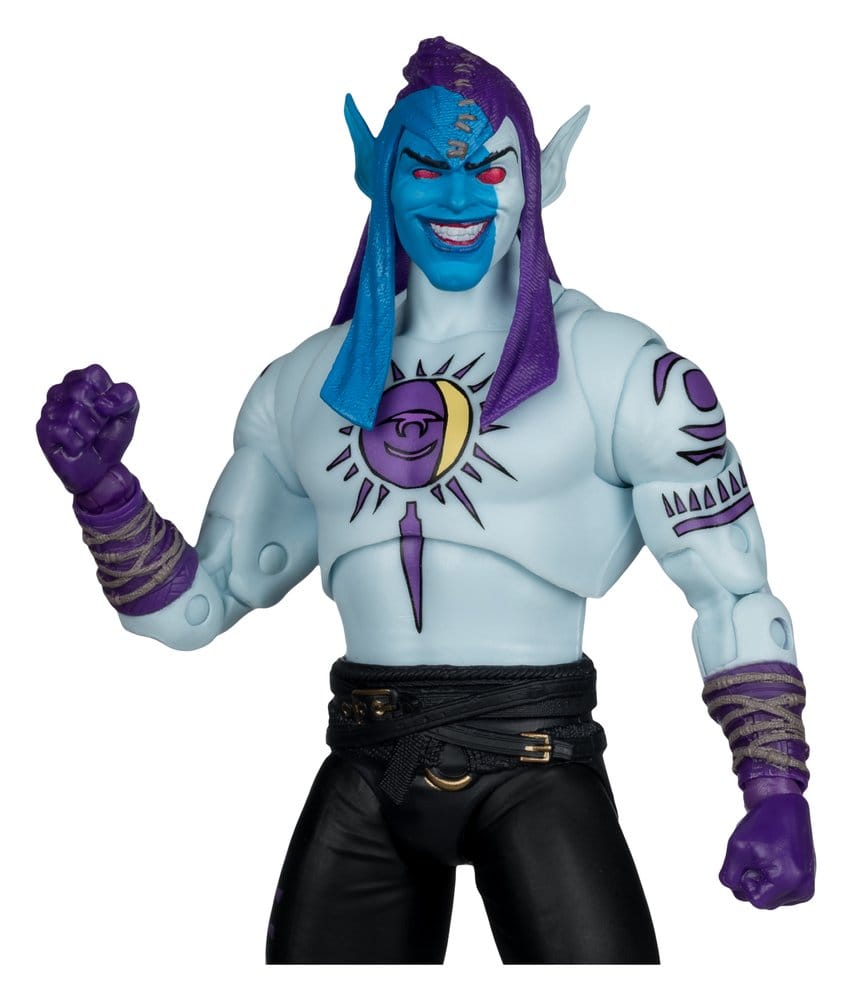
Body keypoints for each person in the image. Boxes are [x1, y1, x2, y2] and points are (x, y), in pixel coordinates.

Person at [36, 37, 814, 964]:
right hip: (368, 768)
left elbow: (733, 592)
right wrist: (105, 493)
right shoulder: (305, 385)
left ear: (539, 179)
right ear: (375, 173)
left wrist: (776, 788)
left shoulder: (618, 370)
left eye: (487, 169)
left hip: (538, 767)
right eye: (424, 168)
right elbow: (192, 612)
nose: (457, 199)